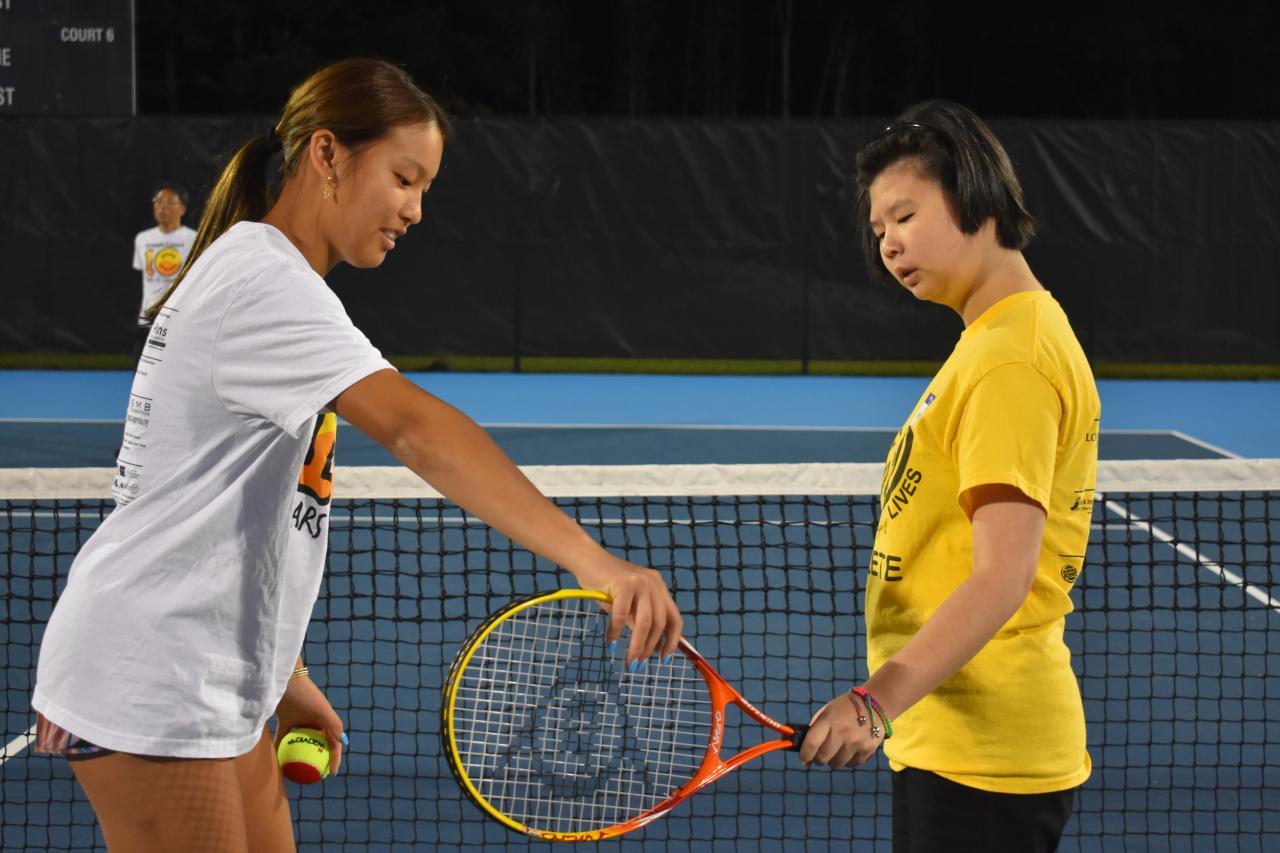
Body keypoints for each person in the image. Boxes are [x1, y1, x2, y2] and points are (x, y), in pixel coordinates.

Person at [33, 58, 683, 852]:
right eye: (404, 178)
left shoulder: (268, 274)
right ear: (327, 154)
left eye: (426, 188)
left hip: (210, 675)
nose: (415, 209)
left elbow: (243, 517)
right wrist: (595, 561)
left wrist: (285, 674)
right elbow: (415, 428)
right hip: (154, 676)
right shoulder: (264, 280)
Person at [798, 101, 1099, 852]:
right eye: (879, 230)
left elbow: (1004, 576)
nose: (889, 244)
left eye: (904, 215)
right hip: (952, 739)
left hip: (985, 757)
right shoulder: (995, 341)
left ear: (975, 199)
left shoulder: (1009, 359)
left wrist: (876, 702)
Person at [131, 182, 196, 358]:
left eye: (169, 202)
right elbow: (144, 278)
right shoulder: (142, 239)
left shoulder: (194, 239)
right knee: (141, 369)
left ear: (182, 209)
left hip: (179, 317)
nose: (162, 207)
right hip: (148, 318)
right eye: (158, 201)